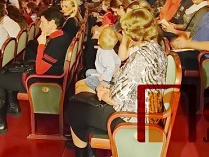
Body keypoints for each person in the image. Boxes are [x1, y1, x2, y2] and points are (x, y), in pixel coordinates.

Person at [67, 8, 168, 156]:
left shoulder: (140, 57)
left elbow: (115, 99)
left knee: (75, 105)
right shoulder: (157, 49)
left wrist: (103, 92)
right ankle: (86, 145)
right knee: (82, 98)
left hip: (132, 117)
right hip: (147, 109)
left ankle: (83, 153)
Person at [0, 7, 72, 136]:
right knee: (5, 72)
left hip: (43, 79)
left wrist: (41, 44)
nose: (40, 25)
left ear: (52, 23)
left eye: (43, 22)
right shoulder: (62, 35)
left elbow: (40, 70)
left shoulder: (57, 42)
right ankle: (13, 107)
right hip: (46, 74)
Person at [81, 27, 120, 92]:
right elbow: (117, 59)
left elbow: (110, 68)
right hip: (100, 71)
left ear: (98, 41)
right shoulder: (108, 48)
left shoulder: (106, 55)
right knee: (88, 72)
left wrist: (102, 78)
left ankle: (105, 86)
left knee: (89, 81)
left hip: (105, 77)